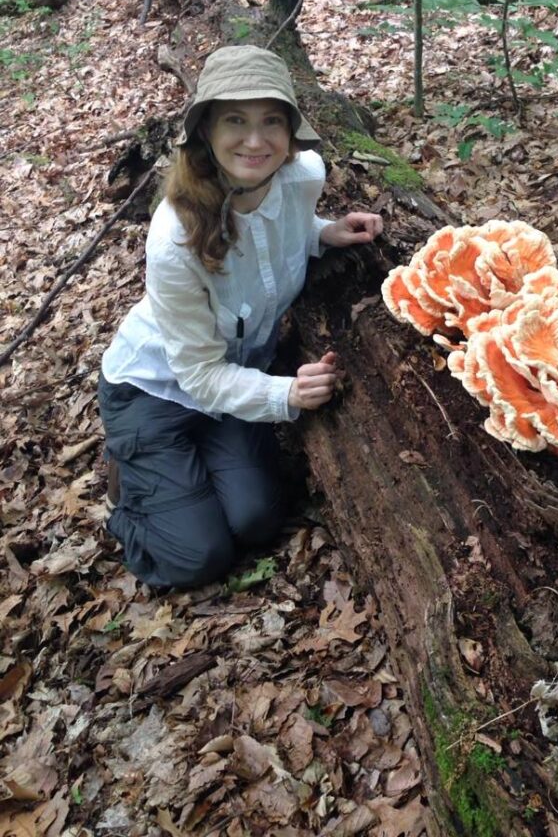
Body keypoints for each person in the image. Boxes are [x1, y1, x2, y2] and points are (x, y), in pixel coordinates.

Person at [98, 46, 383, 588]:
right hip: (155, 390)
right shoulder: (175, 237)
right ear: (205, 128)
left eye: (271, 121)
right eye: (236, 121)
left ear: (291, 131)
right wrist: (287, 397)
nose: (256, 141)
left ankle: (189, 478)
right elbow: (197, 377)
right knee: (196, 558)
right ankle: (128, 489)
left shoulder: (303, 176)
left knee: (256, 520)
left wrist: (323, 232)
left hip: (233, 376)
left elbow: (281, 231)